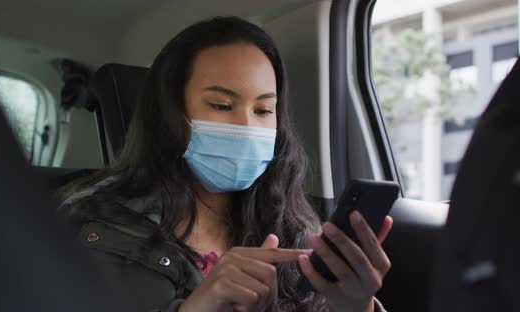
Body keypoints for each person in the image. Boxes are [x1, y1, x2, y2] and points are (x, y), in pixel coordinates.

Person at [60, 16, 392, 312]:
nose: (247, 128)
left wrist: (357, 308)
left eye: (263, 111)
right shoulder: (98, 230)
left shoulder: (295, 224)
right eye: (221, 105)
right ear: (170, 115)